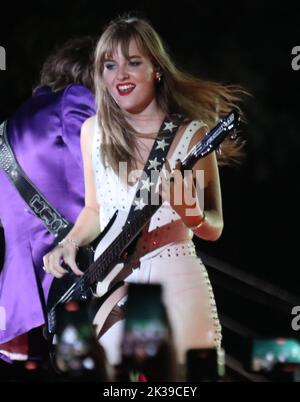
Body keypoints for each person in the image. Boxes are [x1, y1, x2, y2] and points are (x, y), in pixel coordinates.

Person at [43, 15, 244, 369]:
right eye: (110, 65)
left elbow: (214, 227)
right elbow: (95, 210)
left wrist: (191, 213)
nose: (120, 74)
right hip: (117, 281)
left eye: (134, 62)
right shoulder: (92, 132)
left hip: (177, 274)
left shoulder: (190, 135)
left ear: (157, 70)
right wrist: (69, 242)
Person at [0, 36, 96, 362]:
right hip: (72, 283)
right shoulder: (76, 99)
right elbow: (103, 178)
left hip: (18, 303)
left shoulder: (7, 129)